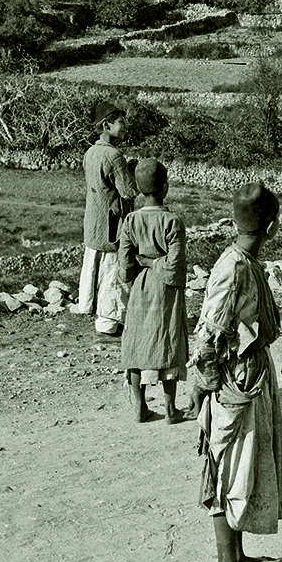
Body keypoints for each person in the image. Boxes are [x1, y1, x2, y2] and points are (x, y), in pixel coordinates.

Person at [192, 182, 282, 562]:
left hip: (248, 377)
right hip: (235, 384)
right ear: (270, 226)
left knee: (242, 469)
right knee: (224, 469)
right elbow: (206, 338)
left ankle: (240, 555)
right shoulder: (233, 269)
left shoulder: (245, 261)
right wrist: (210, 387)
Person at [118, 158, 190, 425]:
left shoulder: (130, 221)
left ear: (137, 188)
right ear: (166, 188)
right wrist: (155, 262)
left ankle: (140, 407)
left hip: (140, 286)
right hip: (165, 290)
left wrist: (143, 264)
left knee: (137, 343)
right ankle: (171, 410)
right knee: (167, 340)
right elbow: (175, 269)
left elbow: (125, 266)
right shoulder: (173, 222)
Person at [76, 100, 138, 336]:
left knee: (95, 270)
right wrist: (133, 172)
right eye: (121, 122)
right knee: (112, 275)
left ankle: (98, 315)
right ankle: (109, 323)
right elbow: (128, 192)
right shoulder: (114, 157)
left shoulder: (90, 152)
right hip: (113, 225)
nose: (125, 127)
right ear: (106, 125)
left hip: (94, 223)